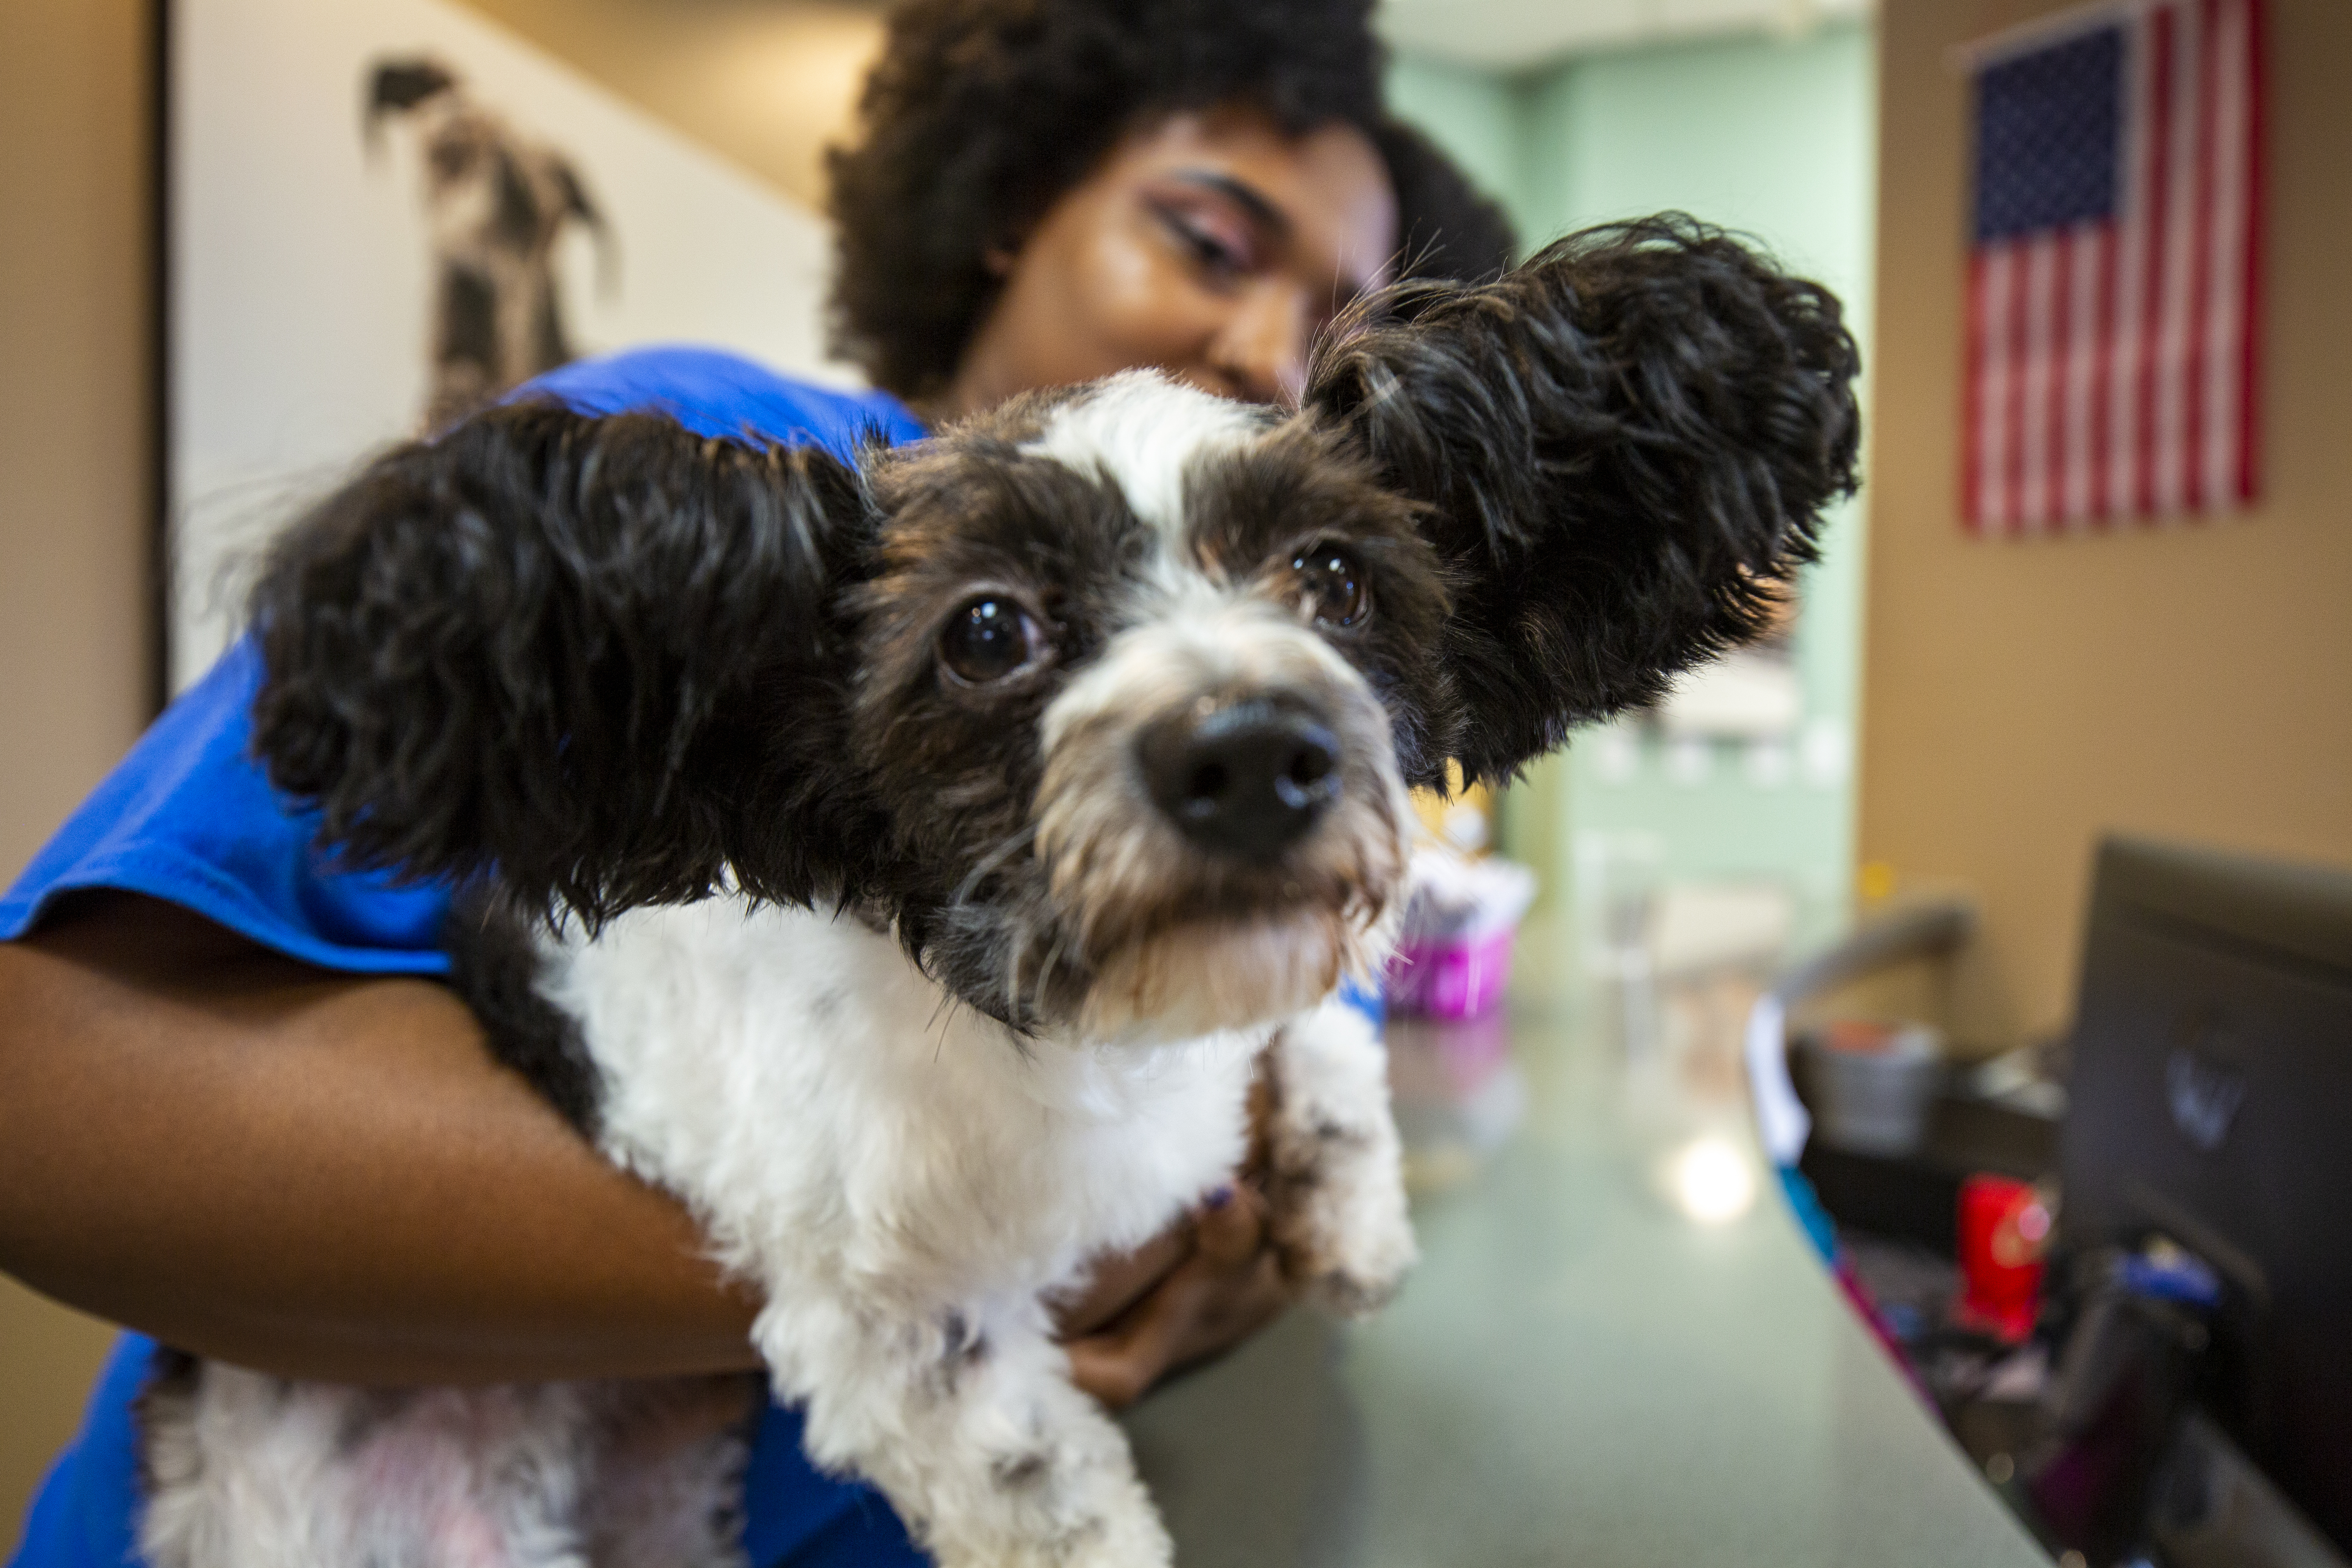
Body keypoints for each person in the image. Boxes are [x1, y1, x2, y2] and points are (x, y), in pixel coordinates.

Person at [0, 1, 1515, 1563]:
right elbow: (43, 1091)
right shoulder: (710, 479)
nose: (1268, 351)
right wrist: (957, 1262)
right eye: (1208, 240)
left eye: (1333, 331)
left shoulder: (1281, 704)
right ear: (1008, 203)